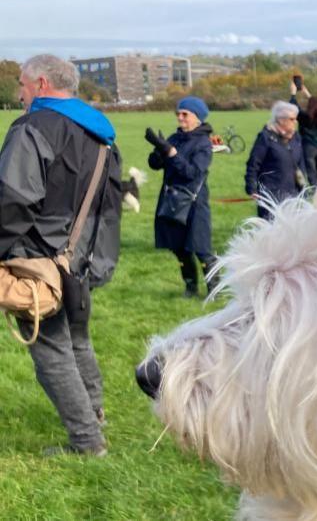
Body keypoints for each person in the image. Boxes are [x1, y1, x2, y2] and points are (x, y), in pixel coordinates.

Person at [0, 54, 122, 456]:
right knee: (78, 340)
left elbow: (12, 200)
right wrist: (92, 258)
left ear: (40, 85)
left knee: (52, 352)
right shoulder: (102, 134)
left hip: (39, 258)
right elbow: (110, 207)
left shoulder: (33, 127)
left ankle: (87, 441)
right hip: (83, 258)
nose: (19, 92)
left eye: (21, 84)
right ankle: (95, 413)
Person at [145, 96, 219, 298]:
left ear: (197, 118)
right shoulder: (174, 137)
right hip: (171, 199)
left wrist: (171, 153)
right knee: (178, 247)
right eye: (178, 114)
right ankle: (190, 287)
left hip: (194, 202)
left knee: (200, 247)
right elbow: (154, 165)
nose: (180, 118)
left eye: (185, 114)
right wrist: (159, 150)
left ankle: (216, 290)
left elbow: (192, 173)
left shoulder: (203, 144)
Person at [245, 101, 308, 220]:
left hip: (293, 194)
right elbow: (253, 163)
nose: (296, 122)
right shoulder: (266, 137)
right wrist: (251, 187)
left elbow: (301, 163)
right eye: (292, 119)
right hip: (271, 195)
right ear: (281, 120)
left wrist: (303, 187)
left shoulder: (296, 137)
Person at [289, 81, 317, 185]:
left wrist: (293, 94)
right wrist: (307, 94)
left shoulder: (305, 117)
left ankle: (315, 189)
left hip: (309, 145)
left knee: (310, 169)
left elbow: (294, 108)